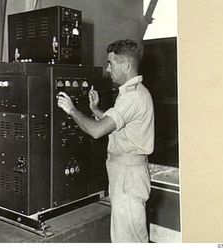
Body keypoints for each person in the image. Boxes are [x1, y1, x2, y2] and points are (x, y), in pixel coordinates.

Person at [57, 39, 154, 243]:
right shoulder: (131, 92)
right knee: (124, 235)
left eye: (111, 63)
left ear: (126, 65)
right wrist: (94, 110)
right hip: (124, 172)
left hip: (128, 175)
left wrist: (72, 110)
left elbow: (97, 132)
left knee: (129, 240)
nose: (108, 69)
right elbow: (118, 125)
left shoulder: (133, 96)